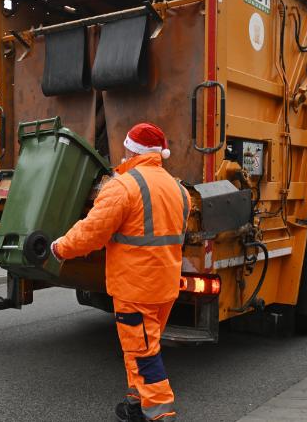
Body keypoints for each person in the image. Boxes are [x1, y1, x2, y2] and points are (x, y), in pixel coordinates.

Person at [51, 123, 190, 422]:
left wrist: (60, 248)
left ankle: (159, 412)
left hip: (134, 287)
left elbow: (91, 232)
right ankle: (136, 403)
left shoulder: (123, 186)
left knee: (143, 351)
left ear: (131, 149)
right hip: (165, 284)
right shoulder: (179, 189)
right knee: (142, 345)